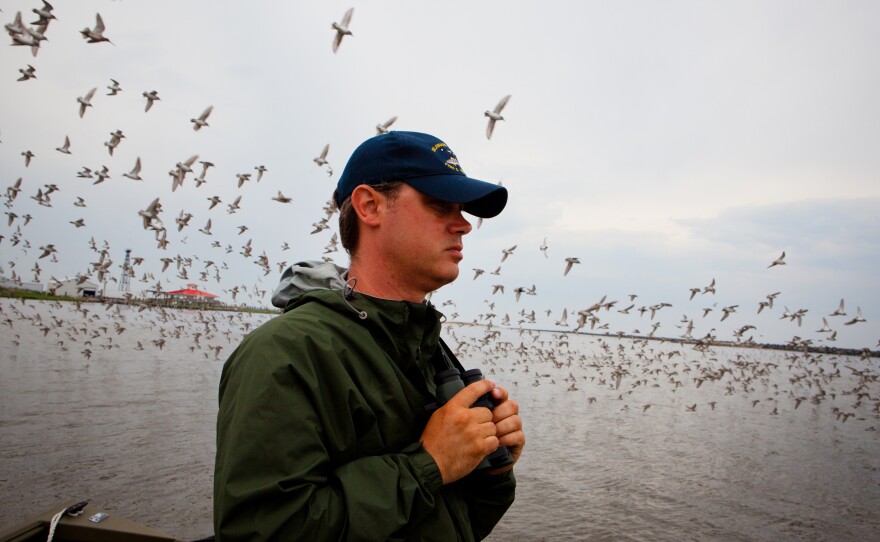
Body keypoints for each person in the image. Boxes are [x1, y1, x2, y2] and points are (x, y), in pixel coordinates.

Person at [213, 131, 525, 541]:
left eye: (462, 209)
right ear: (369, 206)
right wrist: (430, 463)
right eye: (439, 204)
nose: (463, 224)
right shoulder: (286, 354)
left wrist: (490, 468)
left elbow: (454, 525)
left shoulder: (428, 349)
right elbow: (262, 532)